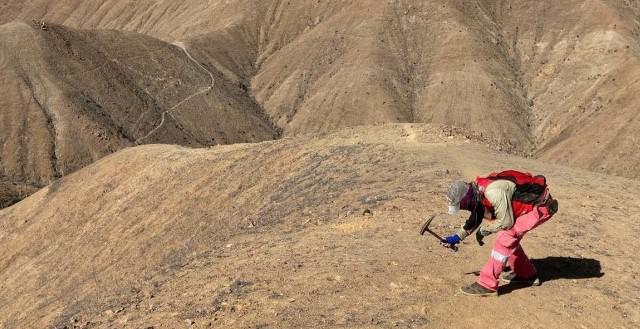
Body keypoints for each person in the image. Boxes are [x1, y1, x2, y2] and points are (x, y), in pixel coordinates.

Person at [441, 171, 558, 296]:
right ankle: (527, 274)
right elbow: (476, 215)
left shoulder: (492, 192)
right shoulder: (478, 193)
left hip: (541, 206)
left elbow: (506, 222)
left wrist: (484, 230)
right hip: (531, 206)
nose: (463, 209)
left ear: (466, 199)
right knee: (509, 238)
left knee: (505, 236)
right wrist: (456, 237)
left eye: (461, 206)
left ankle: (487, 284)